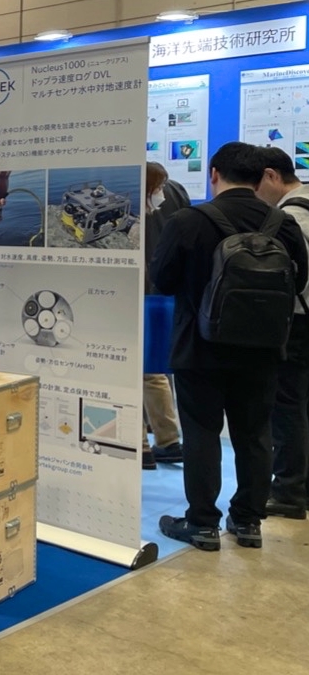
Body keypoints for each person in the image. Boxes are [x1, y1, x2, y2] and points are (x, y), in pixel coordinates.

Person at [151, 142, 309, 550]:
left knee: (202, 433)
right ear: (260, 178)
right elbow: (299, 281)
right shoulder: (283, 224)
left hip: (198, 346)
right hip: (263, 349)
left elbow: (163, 281)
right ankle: (248, 521)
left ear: (214, 174)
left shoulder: (188, 221)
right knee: (255, 434)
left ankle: (203, 523)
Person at [256, 146, 309, 520]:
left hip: (297, 322)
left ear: (272, 176)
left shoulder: (292, 219)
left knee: (287, 408)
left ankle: (289, 491)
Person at [142, 162, 184, 469]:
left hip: (140, 294)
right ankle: (167, 440)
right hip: (165, 293)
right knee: (154, 370)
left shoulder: (133, 199)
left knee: (138, 370)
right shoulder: (177, 193)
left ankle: (142, 445)